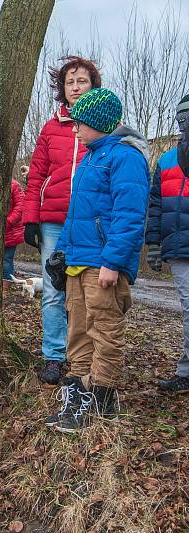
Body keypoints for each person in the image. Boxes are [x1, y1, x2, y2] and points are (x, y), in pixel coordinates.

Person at [45, 88, 149, 433]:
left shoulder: (125, 157)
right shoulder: (90, 157)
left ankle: (100, 399)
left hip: (103, 264)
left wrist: (113, 262)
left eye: (80, 124)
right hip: (79, 260)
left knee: (104, 331)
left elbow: (130, 216)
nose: (74, 130)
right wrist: (62, 253)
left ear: (100, 123)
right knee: (78, 331)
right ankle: (76, 393)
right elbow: (77, 215)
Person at [21, 56, 102, 385]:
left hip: (88, 221)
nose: (76, 86)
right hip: (53, 220)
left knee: (84, 289)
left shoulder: (103, 126)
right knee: (54, 289)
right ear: (63, 89)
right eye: (70, 82)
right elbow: (37, 173)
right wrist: (30, 218)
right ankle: (54, 356)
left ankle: (84, 355)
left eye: (82, 80)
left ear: (92, 85)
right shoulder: (51, 128)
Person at [146, 94, 189, 393]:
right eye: (181, 117)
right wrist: (153, 244)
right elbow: (156, 205)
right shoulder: (165, 160)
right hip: (178, 244)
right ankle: (186, 372)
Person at [3, 177, 25, 289]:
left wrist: (8, 222)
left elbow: (20, 206)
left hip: (10, 231)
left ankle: (6, 284)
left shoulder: (14, 185)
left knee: (7, 259)